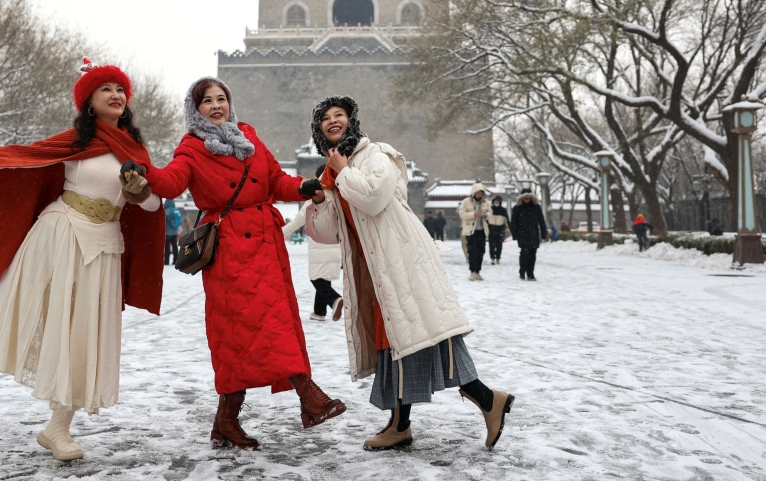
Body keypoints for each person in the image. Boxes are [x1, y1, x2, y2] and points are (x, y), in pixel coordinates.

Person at [0, 59, 166, 461]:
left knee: (83, 332)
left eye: (121, 90)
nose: (116, 96)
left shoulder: (135, 152)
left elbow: (154, 205)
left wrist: (139, 191)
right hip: (60, 230)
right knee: (13, 294)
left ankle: (57, 428)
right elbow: (19, 158)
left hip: (104, 245)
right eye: (106, 90)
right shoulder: (74, 142)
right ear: (89, 101)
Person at [142, 77, 345, 451]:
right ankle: (309, 397)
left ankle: (226, 421)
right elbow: (170, 183)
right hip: (229, 250)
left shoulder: (247, 137)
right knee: (240, 333)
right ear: (195, 109)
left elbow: (275, 181)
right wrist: (143, 171)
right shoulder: (191, 148)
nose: (216, 106)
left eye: (222, 99)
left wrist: (300, 186)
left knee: (269, 323)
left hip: (266, 245)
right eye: (207, 102)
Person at [305, 96, 514, 452]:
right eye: (325, 118)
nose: (332, 120)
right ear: (318, 129)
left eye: (339, 115)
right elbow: (328, 232)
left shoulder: (377, 155)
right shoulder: (330, 171)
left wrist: (343, 171)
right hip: (372, 269)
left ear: (351, 120)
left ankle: (482, 399)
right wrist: (320, 201)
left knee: (425, 334)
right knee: (398, 340)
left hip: (402, 259)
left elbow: (373, 198)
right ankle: (404, 423)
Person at [283, 165, 344, 323]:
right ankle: (319, 312)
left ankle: (335, 299)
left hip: (319, 246)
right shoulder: (339, 196)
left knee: (316, 278)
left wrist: (280, 233)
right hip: (336, 246)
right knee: (324, 278)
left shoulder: (317, 196)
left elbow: (298, 221)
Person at [511, 189, 547, 281]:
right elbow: (514, 223)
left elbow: (541, 221)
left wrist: (544, 233)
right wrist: (514, 234)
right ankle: (522, 271)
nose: (527, 200)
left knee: (532, 254)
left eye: (528, 198)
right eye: (525, 198)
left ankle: (530, 273)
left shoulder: (536, 207)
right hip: (522, 234)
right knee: (524, 253)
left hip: (534, 234)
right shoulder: (517, 208)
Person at [458, 183, 491, 281]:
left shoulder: (485, 202)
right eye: (478, 193)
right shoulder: (466, 202)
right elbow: (462, 214)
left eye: (481, 193)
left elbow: (490, 212)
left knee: (481, 251)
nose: (479, 195)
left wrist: (486, 215)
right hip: (471, 231)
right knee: (473, 252)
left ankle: (478, 271)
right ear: (474, 193)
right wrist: (473, 214)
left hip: (482, 230)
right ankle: (472, 271)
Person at [487, 196, 509, 265]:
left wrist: (508, 229)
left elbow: (506, 220)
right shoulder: (490, 209)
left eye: (497, 202)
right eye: (495, 202)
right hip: (491, 229)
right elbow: (486, 219)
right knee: (491, 245)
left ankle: (498, 257)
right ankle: (492, 258)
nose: (496, 203)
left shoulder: (503, 210)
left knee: (499, 245)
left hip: (500, 229)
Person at [164, 198, 182, 265]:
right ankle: (176, 260)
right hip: (175, 232)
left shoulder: (166, 211)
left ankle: (166, 261)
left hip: (167, 233)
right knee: (175, 246)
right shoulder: (176, 210)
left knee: (167, 247)